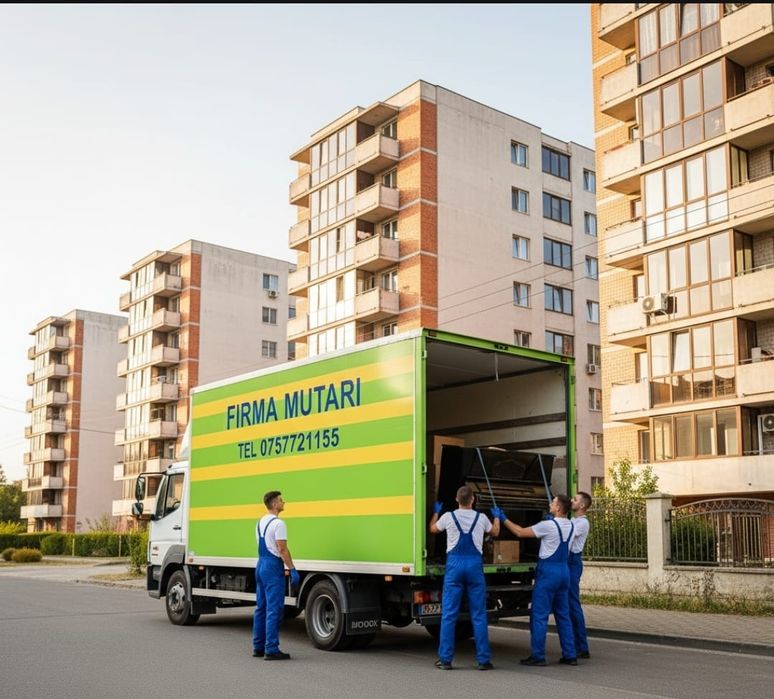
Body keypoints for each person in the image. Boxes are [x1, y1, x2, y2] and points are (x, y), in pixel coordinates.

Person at [493, 495, 577, 666]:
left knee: (539, 615)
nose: (550, 504)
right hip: (564, 571)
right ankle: (570, 655)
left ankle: (538, 656)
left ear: (559, 508)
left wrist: (504, 518)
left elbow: (519, 532)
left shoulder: (547, 526)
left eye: (553, 503)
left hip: (548, 574)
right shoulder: (572, 525)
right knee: (563, 615)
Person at [429, 484, 501, 671]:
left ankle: (445, 660)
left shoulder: (448, 517)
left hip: (454, 566)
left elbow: (433, 530)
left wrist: (436, 513)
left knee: (449, 615)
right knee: (478, 615)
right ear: (473, 500)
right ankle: (483, 660)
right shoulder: (481, 518)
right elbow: (495, 532)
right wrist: (497, 517)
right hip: (474, 567)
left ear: (456, 499)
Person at [252, 490, 300, 661]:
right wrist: (292, 568)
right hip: (272, 567)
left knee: (261, 608)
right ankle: (271, 648)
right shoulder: (279, 524)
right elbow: (282, 549)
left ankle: (258, 646)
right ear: (274, 504)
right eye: (281, 500)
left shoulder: (260, 522)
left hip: (260, 565)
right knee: (274, 609)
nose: (283, 502)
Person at [568, 491, 592, 659]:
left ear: (582, 506)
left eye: (575, 500)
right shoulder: (573, 521)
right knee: (568, 606)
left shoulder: (582, 523)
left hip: (573, 562)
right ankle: (573, 644)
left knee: (573, 605)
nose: (572, 501)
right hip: (567, 562)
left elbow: (566, 535)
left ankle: (582, 647)